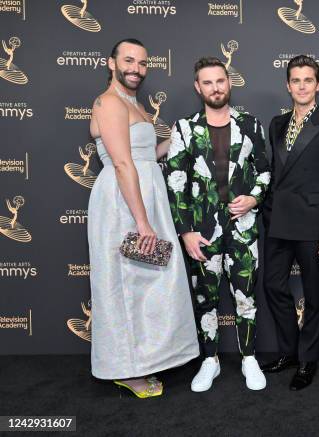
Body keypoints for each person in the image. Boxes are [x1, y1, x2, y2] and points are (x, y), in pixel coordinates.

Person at [88, 38, 199, 398]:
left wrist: (180, 137)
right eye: (128, 60)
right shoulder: (108, 103)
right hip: (124, 203)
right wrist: (142, 221)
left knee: (147, 284)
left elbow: (145, 155)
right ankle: (126, 370)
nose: (136, 68)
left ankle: (145, 359)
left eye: (142, 62)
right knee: (123, 286)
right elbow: (122, 163)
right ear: (111, 63)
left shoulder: (132, 102)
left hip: (147, 197)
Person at [166, 57, 270, 392]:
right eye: (208, 82)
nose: (216, 88)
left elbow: (266, 172)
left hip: (243, 228)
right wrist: (185, 232)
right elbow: (175, 184)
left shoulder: (251, 124)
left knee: (246, 297)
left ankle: (249, 358)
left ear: (229, 82)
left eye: (220, 81)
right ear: (198, 87)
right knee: (205, 299)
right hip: (202, 232)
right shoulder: (183, 128)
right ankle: (209, 360)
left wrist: (254, 198)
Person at [261, 55, 319, 390]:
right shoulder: (276, 124)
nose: (301, 86)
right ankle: (290, 350)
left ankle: (308, 360)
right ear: (287, 85)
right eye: (295, 80)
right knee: (272, 285)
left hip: (314, 226)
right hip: (279, 222)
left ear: (318, 84)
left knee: (313, 297)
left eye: (308, 80)